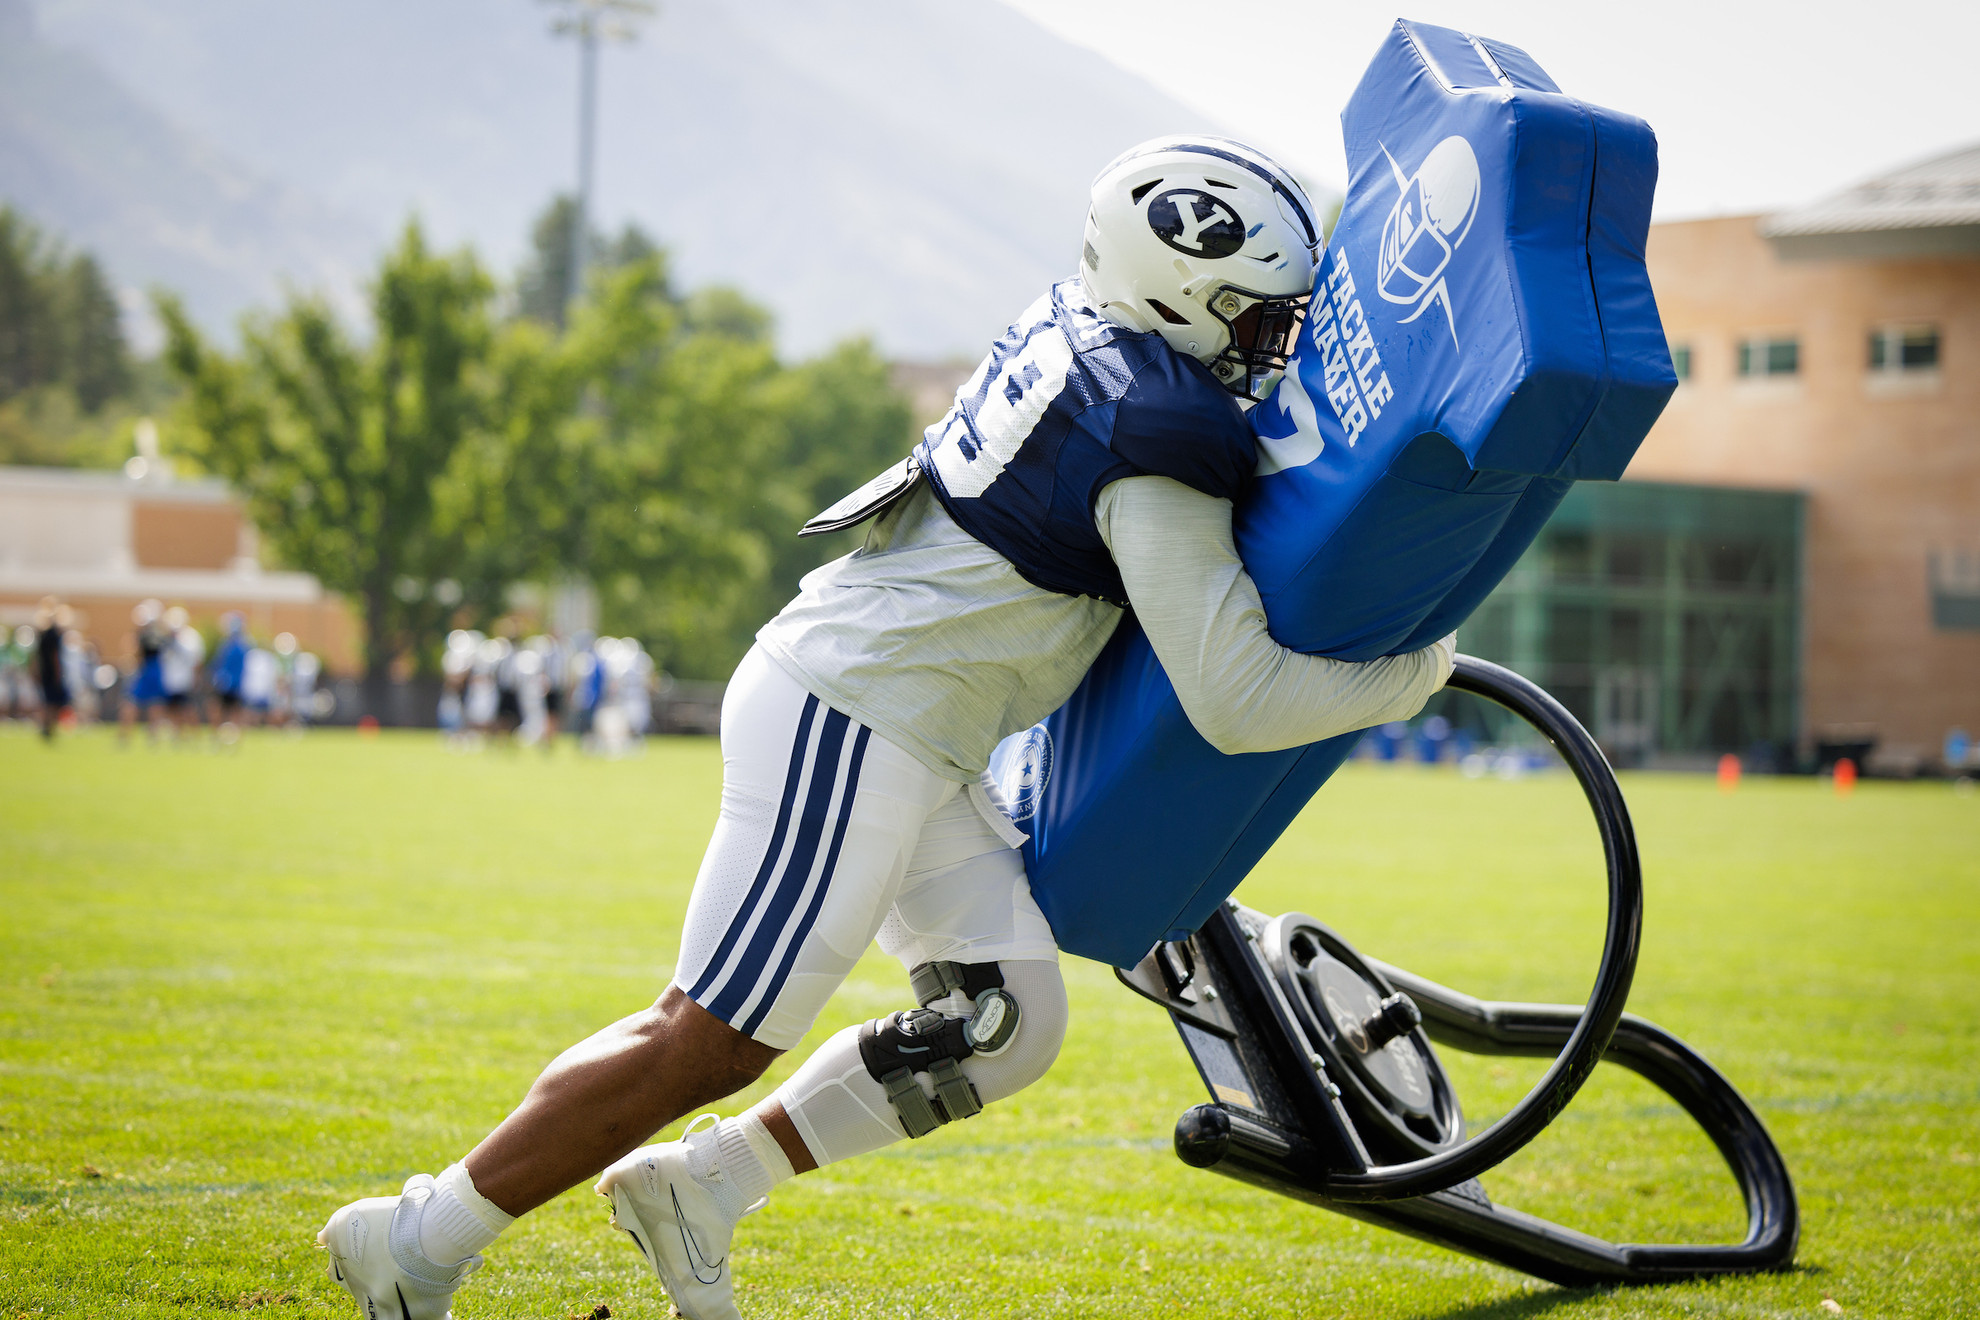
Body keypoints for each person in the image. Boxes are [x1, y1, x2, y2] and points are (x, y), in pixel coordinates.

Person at [317, 137, 1456, 1320]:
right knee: (707, 1037)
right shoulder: (1155, 421)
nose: (1270, 342)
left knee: (1003, 1025)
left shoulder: (1100, 329)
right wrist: (1414, 673)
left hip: (915, 727)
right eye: (1251, 314)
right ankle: (417, 1240)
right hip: (856, 713)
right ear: (1176, 288)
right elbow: (1236, 694)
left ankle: (705, 1187)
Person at [33, 597, 73, 742]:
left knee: (47, 701)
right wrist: (58, 673)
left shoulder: (42, 634)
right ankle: (48, 728)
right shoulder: (52, 634)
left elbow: (37, 656)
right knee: (52, 702)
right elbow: (55, 656)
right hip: (51, 672)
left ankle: (46, 727)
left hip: (45, 672)